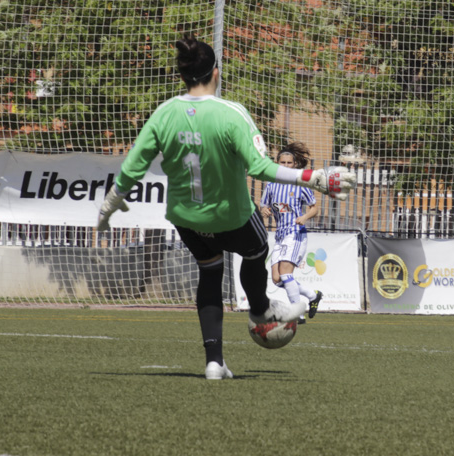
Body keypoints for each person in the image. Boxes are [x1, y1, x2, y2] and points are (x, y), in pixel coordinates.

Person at [95, 36, 356, 380]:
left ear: (183, 75)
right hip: (232, 217)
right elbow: (260, 168)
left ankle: (214, 362)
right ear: (215, 73)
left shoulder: (164, 113)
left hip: (187, 218)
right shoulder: (232, 114)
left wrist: (110, 204)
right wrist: (313, 177)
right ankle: (262, 310)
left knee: (210, 272)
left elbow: (133, 166)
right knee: (257, 251)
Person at [260, 142, 324, 323]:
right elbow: (263, 204)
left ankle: (297, 313)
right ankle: (313, 296)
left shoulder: (300, 184)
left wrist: (304, 217)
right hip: (280, 235)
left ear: (295, 164)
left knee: (287, 275)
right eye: (283, 163)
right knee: (277, 279)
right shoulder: (272, 185)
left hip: (295, 233)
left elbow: (314, 208)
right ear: (277, 163)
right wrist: (264, 210)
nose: (286, 166)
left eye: (289, 163)